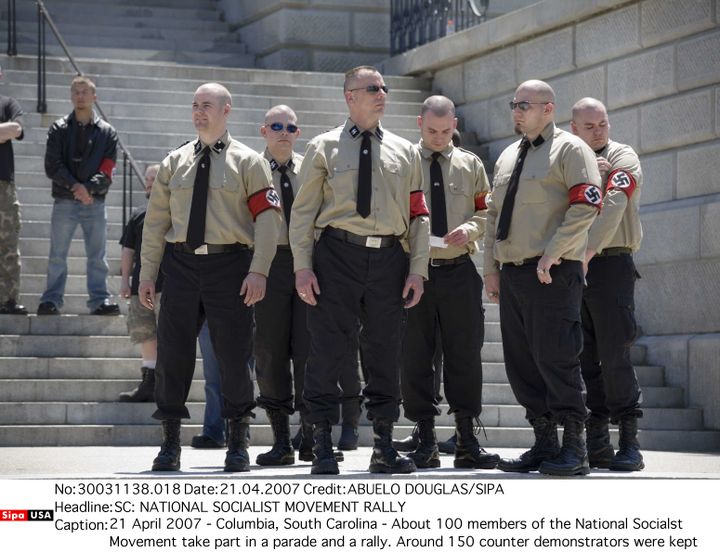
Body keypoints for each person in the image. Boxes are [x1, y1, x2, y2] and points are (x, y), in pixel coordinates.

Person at [289, 65, 430, 475]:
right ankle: (321, 445)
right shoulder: (323, 147)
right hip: (337, 255)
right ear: (349, 95)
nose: (381, 93)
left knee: (386, 351)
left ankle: (383, 445)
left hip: (389, 258)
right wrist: (302, 267)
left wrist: (417, 269)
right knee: (328, 350)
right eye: (372, 88)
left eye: (384, 87)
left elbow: (419, 215)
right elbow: (302, 214)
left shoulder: (406, 151)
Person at [139, 82, 281, 472]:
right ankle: (170, 444)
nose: (200, 112)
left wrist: (259, 270)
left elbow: (268, 222)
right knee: (172, 356)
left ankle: (237, 441)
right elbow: (155, 224)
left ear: (226, 110)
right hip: (181, 266)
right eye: (195, 105)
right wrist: (147, 274)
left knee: (234, 356)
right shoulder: (174, 161)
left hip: (230, 266)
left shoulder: (249, 161)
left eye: (208, 105)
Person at [484, 80, 602, 477]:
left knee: (557, 358)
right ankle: (544, 443)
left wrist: (555, 251)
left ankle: (575, 448)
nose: (516, 111)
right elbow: (493, 219)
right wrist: (491, 269)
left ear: (549, 109)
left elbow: (587, 204)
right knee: (523, 364)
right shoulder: (505, 158)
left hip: (551, 272)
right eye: (513, 103)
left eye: (525, 104)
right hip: (514, 273)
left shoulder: (571, 149)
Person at [401, 95, 498, 470]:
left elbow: (486, 210)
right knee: (416, 357)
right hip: (416, 271)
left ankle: (466, 439)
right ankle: (424, 438)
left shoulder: (470, 164)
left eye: (446, 130)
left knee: (465, 356)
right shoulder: (403, 162)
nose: (439, 138)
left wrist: (471, 229)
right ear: (418, 123)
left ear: (455, 123)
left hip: (458, 269)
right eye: (431, 131)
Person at [571, 97, 644, 471]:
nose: (598, 131)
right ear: (574, 129)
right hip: (574, 266)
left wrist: (589, 248)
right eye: (590, 126)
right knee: (585, 358)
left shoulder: (623, 155)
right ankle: (597, 444)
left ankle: (629, 442)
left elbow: (616, 200)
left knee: (615, 353)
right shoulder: (568, 158)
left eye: (602, 124)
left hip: (611, 262)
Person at [253, 104, 310, 465]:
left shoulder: (311, 168)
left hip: (306, 264)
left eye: (291, 126)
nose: (284, 132)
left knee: (310, 351)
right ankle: (280, 440)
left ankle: (311, 433)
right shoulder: (249, 167)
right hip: (267, 264)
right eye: (276, 126)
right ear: (264, 131)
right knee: (270, 351)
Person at [38, 76, 120, 316]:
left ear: (94, 97)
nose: (80, 96)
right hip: (65, 200)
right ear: (70, 96)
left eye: (85, 92)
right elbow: (52, 165)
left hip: (94, 202)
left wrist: (88, 189)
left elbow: (108, 169)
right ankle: (51, 300)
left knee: (98, 256)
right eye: (76, 92)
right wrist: (77, 187)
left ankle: (99, 300)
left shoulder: (107, 132)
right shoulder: (58, 128)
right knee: (57, 255)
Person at [117, 164, 161, 402]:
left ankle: (168, 383)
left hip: (169, 286)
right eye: (147, 179)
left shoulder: (176, 211)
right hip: (139, 287)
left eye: (154, 178)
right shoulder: (138, 214)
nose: (149, 182)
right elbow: (128, 249)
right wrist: (124, 281)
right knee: (145, 334)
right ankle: (149, 381)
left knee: (169, 335)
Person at [0, 65, 27, 315]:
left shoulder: (8, 103)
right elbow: (7, 131)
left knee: (8, 242)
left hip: (3, 185)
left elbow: (16, 129)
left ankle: (8, 299)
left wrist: (8, 131)